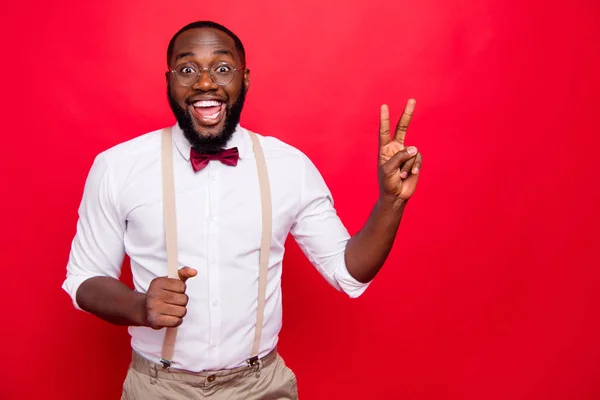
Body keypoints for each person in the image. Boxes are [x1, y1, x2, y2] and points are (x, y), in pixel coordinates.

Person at [62, 20, 423, 400]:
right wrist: (140, 307)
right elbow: (85, 279)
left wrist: (390, 202)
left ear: (244, 79)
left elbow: (349, 272)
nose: (205, 83)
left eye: (222, 68)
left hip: (261, 386)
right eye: (187, 70)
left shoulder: (289, 166)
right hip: (156, 387)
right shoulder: (117, 166)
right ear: (169, 81)